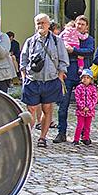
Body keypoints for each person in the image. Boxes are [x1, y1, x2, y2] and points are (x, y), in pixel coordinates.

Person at [20, 14, 69, 148]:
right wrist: (24, 78)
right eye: (38, 23)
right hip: (33, 80)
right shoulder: (30, 41)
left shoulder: (57, 41)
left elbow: (63, 61)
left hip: (50, 80)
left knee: (47, 109)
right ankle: (28, 137)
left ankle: (42, 137)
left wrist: (59, 77)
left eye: (43, 22)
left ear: (48, 24)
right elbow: (23, 61)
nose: (41, 25)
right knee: (31, 109)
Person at [73, 68, 98, 145]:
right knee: (80, 125)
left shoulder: (93, 88)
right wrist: (82, 107)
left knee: (87, 126)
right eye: (84, 77)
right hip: (81, 111)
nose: (85, 79)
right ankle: (76, 139)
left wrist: (89, 107)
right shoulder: (79, 88)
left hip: (89, 111)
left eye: (87, 78)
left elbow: (94, 99)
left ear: (91, 79)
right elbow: (77, 98)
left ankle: (86, 138)